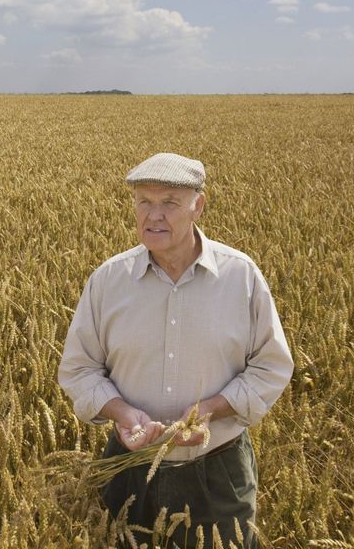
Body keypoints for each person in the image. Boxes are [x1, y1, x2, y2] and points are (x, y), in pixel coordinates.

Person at [57, 152, 293, 547]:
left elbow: (270, 367)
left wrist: (212, 409)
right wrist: (120, 412)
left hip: (216, 472)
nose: (154, 216)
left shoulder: (241, 277)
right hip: (127, 468)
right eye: (144, 202)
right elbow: (79, 370)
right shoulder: (108, 281)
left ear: (198, 205)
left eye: (169, 203)